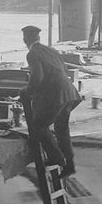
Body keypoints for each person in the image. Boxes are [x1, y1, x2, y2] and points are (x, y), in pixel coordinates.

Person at [18, 25, 82, 177]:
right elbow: (64, 70)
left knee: (39, 126)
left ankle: (56, 158)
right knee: (62, 129)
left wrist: (26, 91)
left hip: (57, 95)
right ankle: (69, 165)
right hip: (69, 93)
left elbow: (37, 77)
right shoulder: (51, 50)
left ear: (25, 40)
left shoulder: (33, 53)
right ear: (39, 38)